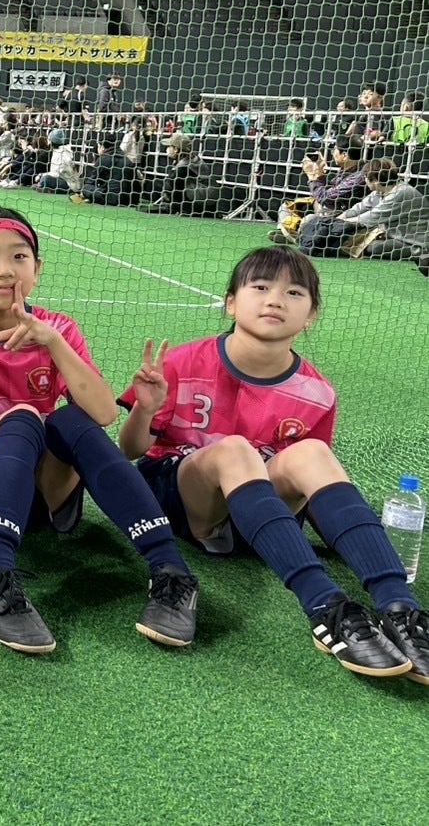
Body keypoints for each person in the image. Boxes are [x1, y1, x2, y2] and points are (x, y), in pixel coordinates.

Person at [119, 247, 427, 681]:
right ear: (231, 302)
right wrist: (145, 410)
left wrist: (350, 538)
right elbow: (130, 450)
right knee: (235, 449)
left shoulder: (317, 392)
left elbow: (312, 487)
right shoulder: (182, 361)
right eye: (261, 287)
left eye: (294, 292)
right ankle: (324, 605)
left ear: (311, 315)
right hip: (187, 505)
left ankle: (400, 608)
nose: (275, 300)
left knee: (313, 453)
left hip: (260, 518)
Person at [0, 205, 198, 653]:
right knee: (23, 417)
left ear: (37, 268)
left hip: (42, 491)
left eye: (19, 257)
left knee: (71, 419)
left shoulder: (58, 328)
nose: (5, 270)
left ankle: (170, 569)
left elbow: (104, 412)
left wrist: (52, 342)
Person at [297, 158, 429, 260]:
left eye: (366, 178)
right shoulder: (379, 191)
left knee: (374, 248)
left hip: (413, 243)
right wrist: (333, 220)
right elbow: (358, 208)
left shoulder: (401, 193)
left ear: (375, 180)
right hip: (390, 235)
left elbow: (370, 217)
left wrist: (333, 223)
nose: (364, 180)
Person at [268, 137, 366, 245]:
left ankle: (297, 237)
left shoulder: (358, 176)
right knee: (286, 207)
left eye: (334, 150)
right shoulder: (345, 169)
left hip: (340, 216)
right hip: (327, 209)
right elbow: (331, 191)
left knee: (309, 220)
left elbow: (325, 198)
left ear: (344, 155)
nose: (332, 153)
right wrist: (319, 173)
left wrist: (311, 176)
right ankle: (288, 232)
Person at [75, 136, 139, 206]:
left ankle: (87, 197)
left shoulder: (104, 158)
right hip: (131, 200)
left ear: (102, 147)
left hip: (113, 199)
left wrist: (84, 193)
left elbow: (92, 181)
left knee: (86, 188)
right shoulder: (127, 158)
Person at [32, 128, 81, 195]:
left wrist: (42, 175)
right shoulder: (59, 151)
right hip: (64, 180)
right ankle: (47, 188)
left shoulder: (61, 153)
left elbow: (56, 174)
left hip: (67, 183)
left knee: (46, 178)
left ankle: (43, 186)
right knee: (44, 178)